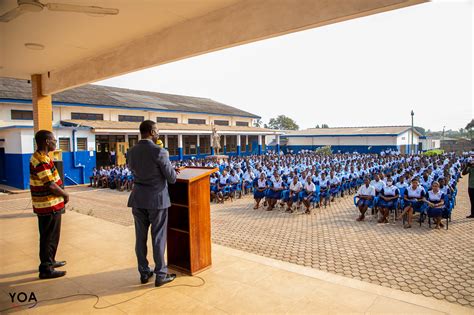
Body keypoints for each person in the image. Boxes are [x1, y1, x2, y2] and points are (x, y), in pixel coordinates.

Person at [127, 120, 178, 287]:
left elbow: (137, 171)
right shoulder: (159, 151)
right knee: (158, 237)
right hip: (157, 200)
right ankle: (160, 274)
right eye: (156, 130)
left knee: (140, 238)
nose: (158, 133)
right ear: (150, 131)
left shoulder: (131, 151)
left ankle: (144, 272)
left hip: (138, 199)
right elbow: (172, 178)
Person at [30, 130, 69, 279]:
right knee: (48, 237)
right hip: (48, 205)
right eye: (54, 140)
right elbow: (50, 185)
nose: (55, 142)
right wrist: (65, 194)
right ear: (47, 141)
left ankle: (50, 261)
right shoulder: (40, 160)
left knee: (52, 236)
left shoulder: (44, 157)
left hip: (52, 204)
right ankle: (46, 268)